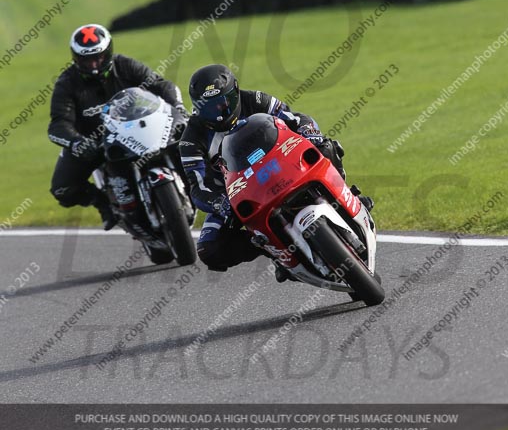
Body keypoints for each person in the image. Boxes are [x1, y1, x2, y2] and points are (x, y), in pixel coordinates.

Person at [179, 64, 373, 278]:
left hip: (283, 164)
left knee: (326, 147)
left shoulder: (255, 99)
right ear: (197, 107)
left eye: (224, 102)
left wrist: (310, 133)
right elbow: (198, 186)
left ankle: (347, 199)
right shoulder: (190, 140)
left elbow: (296, 118)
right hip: (238, 193)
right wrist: (219, 203)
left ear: (234, 92)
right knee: (209, 249)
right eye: (209, 107)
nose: (219, 112)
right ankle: (273, 249)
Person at [48, 24, 188, 229]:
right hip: (94, 143)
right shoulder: (67, 83)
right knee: (62, 189)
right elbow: (58, 124)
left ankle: (202, 188)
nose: (94, 65)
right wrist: (77, 142)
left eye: (99, 57)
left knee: (184, 140)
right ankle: (103, 203)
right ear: (76, 58)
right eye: (87, 60)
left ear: (108, 52)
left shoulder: (124, 65)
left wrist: (178, 108)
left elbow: (161, 85)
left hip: (134, 129)